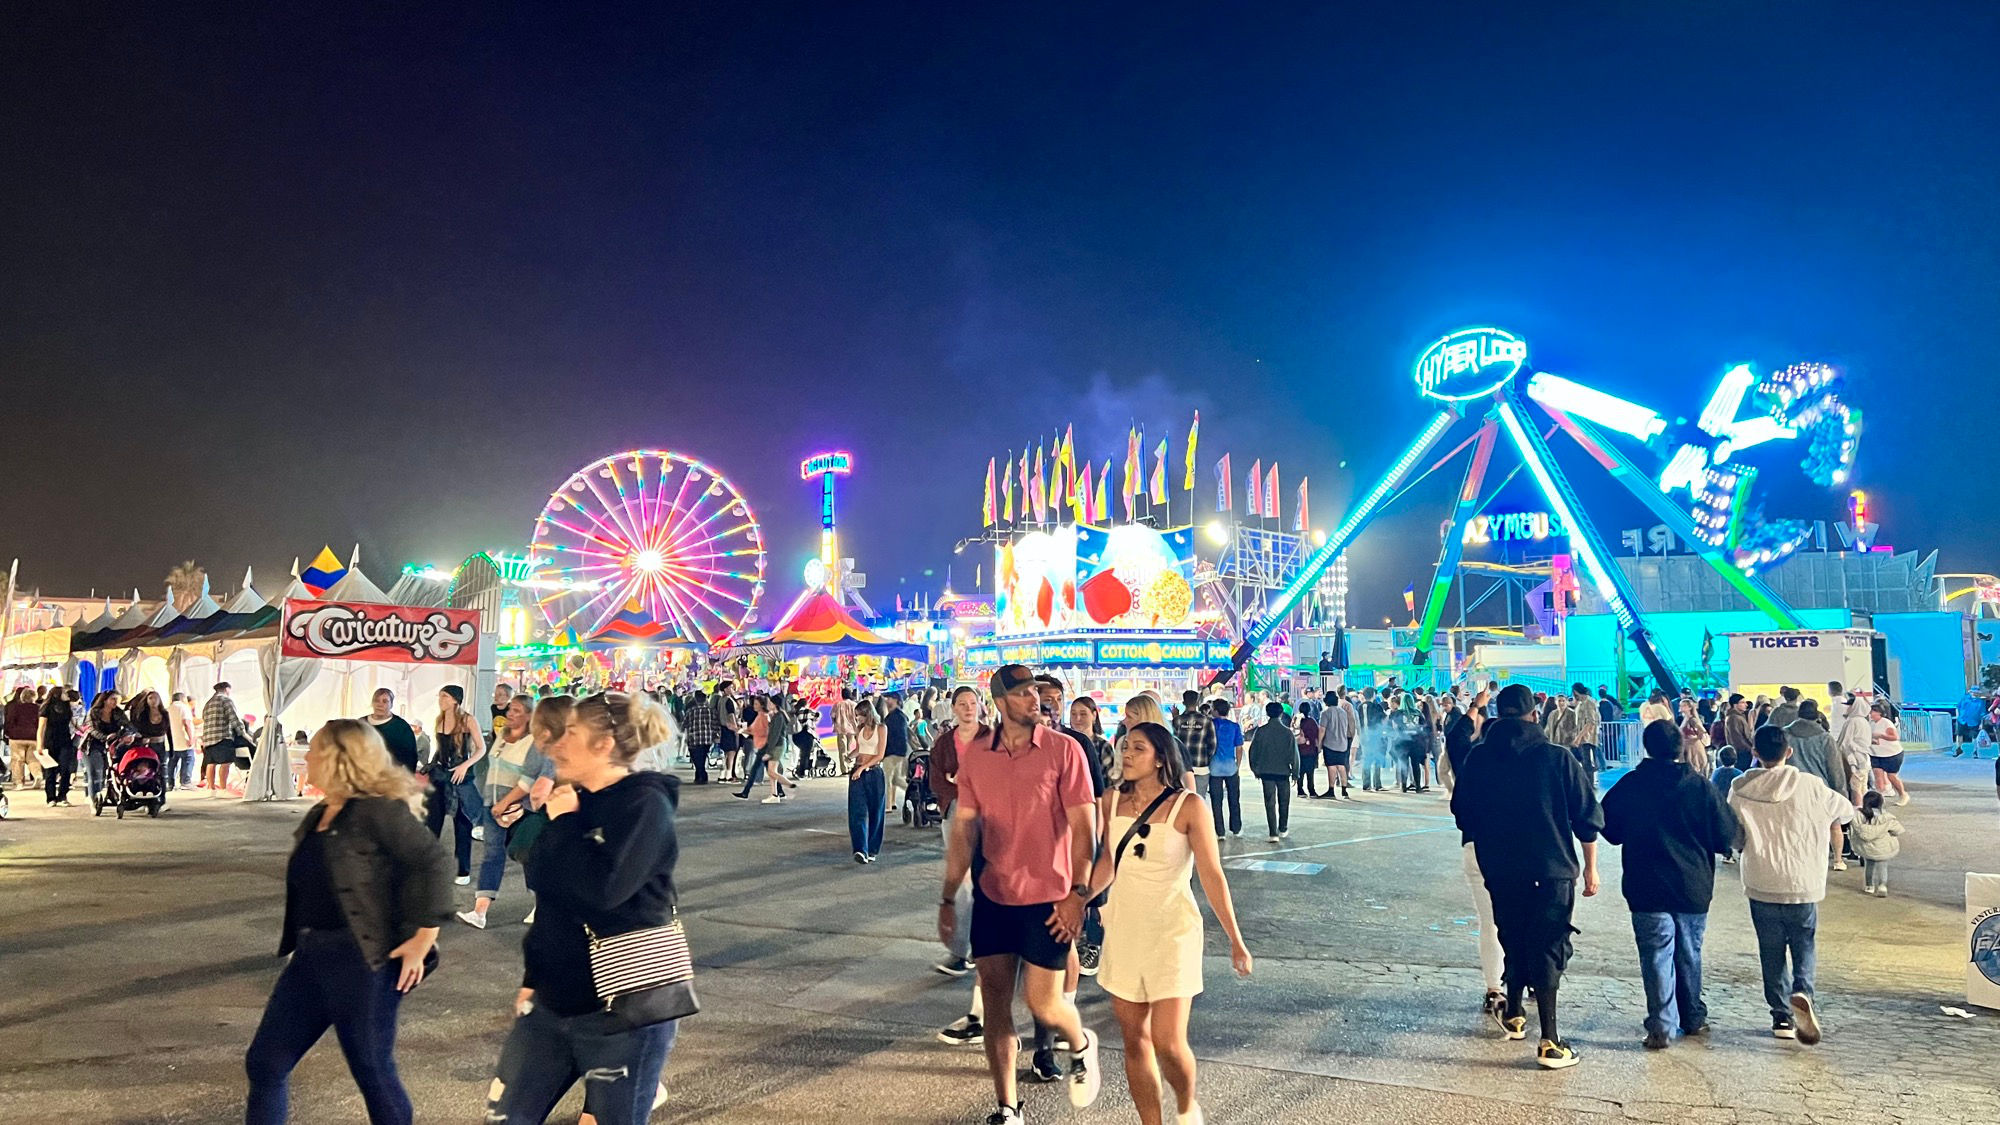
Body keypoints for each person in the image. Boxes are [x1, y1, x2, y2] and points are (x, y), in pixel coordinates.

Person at [487, 692, 684, 1125]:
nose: (557, 742)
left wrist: (567, 823)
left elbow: (603, 890)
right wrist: (533, 977)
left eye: (571, 732)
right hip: (553, 1003)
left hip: (624, 1011)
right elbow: (551, 897)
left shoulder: (643, 804)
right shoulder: (571, 799)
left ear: (603, 745)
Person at [244, 719, 451, 1125]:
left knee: (373, 1072)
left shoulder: (376, 811)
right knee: (266, 1062)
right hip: (311, 957)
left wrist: (423, 939)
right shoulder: (323, 812)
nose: (307, 756)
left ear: (341, 759)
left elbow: (434, 863)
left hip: (362, 962)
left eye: (316, 749)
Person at [937, 664, 1102, 1124]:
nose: (1038, 699)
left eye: (1039, 692)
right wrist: (949, 897)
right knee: (993, 1003)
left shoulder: (1064, 750)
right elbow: (964, 834)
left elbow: (1085, 830)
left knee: (1043, 1002)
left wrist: (1078, 893)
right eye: (1026, 692)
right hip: (994, 894)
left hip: (1050, 897)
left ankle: (1081, 1043)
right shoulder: (977, 757)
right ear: (1002, 701)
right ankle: (1007, 1108)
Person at [1083, 721, 1252, 1125]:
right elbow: (1107, 862)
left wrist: (1235, 939)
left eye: (1137, 749)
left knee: (1168, 1043)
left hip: (1173, 932)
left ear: (1160, 759)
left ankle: (1185, 1105)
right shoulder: (1109, 801)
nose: (1126, 755)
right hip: (1124, 930)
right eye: (1125, 747)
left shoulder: (1188, 805)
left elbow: (1211, 874)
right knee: (1134, 1039)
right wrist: (1077, 902)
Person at [1450, 683, 1603, 1071]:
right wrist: (1591, 868)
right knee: (1548, 945)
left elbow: (1462, 813)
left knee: (1512, 936)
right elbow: (1587, 818)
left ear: (1498, 714)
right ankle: (1550, 1040)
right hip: (1550, 868)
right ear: (1535, 714)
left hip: (1500, 867)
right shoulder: (1558, 757)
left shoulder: (1479, 759)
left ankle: (1515, 1011)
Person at [1600, 720, 1739, 1050]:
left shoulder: (1631, 784)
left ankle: (1662, 1024)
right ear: (1680, 748)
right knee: (1689, 953)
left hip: (1645, 885)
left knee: (1655, 955)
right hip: (1692, 886)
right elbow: (1725, 836)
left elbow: (1609, 828)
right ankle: (1692, 1017)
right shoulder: (1700, 786)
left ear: (1647, 748)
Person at [1730, 724, 1855, 1043]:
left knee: (1770, 951)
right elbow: (1845, 812)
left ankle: (1781, 1018)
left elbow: (1735, 836)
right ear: (1789, 752)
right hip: (1803, 881)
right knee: (1804, 944)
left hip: (1760, 880)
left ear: (1754, 753)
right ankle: (1803, 990)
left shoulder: (1739, 787)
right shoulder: (1811, 786)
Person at [457, 694, 557, 929]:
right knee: (492, 855)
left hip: (518, 808)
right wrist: (492, 802)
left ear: (530, 715)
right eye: (510, 709)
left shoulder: (535, 742)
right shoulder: (501, 736)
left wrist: (505, 804)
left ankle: (540, 904)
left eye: (517, 710)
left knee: (526, 854)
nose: (510, 714)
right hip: (492, 805)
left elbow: (528, 780)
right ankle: (480, 911)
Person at [1437, 699, 1505, 1024]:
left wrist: (1474, 708)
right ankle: (1528, 980)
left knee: (1488, 923)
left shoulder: (1472, 762)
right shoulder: (1537, 760)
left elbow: (1455, 739)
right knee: (1522, 920)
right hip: (1522, 852)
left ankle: (1494, 988)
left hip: (1476, 846)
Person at [934, 687, 988, 1026]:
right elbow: (938, 777)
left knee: (984, 882)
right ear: (953, 708)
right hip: (956, 810)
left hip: (989, 814)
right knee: (962, 881)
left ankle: (974, 949)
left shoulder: (993, 738)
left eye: (973, 703)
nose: (968, 709)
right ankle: (961, 949)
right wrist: (955, 786)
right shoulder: (944, 743)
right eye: (962, 704)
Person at [424, 685, 488, 885]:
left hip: (460, 776)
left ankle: (463, 870)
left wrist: (465, 766)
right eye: (440, 695)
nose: (440, 699)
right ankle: (428, 865)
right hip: (440, 775)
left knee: (462, 822)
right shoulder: (439, 719)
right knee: (432, 820)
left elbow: (481, 748)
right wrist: (431, 765)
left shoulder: (468, 719)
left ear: (455, 699)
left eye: (445, 696)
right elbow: (439, 749)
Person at [1246, 702, 1299, 843]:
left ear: (1268, 714)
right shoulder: (1287, 732)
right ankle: (1283, 828)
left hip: (1266, 772)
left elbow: (1253, 752)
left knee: (1270, 802)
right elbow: (1294, 755)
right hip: (1283, 772)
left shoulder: (1261, 731)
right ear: (1281, 713)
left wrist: (1255, 769)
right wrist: (1295, 772)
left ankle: (1273, 833)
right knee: (1284, 801)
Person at [847, 699, 887, 863]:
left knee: (876, 812)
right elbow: (859, 749)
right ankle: (860, 849)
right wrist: (850, 756)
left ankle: (872, 849)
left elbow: (880, 754)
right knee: (857, 812)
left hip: (874, 772)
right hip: (858, 771)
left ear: (867, 713)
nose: (858, 719)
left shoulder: (881, 728)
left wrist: (862, 768)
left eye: (860, 716)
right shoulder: (859, 729)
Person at [1849, 790, 1902, 897]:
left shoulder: (1858, 815)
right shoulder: (1886, 817)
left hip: (1866, 847)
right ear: (1880, 803)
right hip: (1883, 847)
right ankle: (1882, 886)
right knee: (1882, 867)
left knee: (1869, 865)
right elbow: (1898, 830)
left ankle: (1869, 886)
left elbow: (1854, 830)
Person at [84, 689, 130, 804]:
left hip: (112, 746)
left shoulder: (118, 713)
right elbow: (91, 729)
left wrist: (127, 735)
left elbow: (128, 725)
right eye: (113, 699)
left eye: (117, 700)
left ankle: (109, 795)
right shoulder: (94, 712)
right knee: (96, 772)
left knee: (108, 771)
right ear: (105, 700)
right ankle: (94, 798)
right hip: (93, 745)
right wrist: (106, 737)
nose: (115, 702)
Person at [1205, 699, 1243, 834]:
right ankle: (1236, 828)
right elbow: (1239, 748)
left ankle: (1220, 831)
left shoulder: (1210, 725)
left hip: (1214, 767)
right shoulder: (1234, 726)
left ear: (1215, 710)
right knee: (1234, 799)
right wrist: (1237, 765)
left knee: (1216, 801)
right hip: (1231, 767)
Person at [363, 689, 420, 775]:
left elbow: (411, 758)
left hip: (391, 778)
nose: (380, 704)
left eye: (385, 701)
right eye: (376, 700)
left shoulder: (401, 727)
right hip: (364, 776)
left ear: (391, 704)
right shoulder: (361, 724)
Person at [1173, 689, 1216, 796]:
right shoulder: (1206, 721)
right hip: (1201, 766)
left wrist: (1175, 716)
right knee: (1199, 800)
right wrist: (1206, 758)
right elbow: (1212, 745)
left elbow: (1173, 743)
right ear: (1197, 702)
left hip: (1182, 766)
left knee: (1182, 800)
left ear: (1183, 703)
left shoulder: (1177, 720)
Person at [40, 687, 77, 805]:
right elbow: (41, 727)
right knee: (50, 770)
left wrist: (82, 730)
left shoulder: (67, 707)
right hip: (50, 741)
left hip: (65, 740)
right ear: (57, 694)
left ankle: (62, 795)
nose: (67, 695)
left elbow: (73, 722)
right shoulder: (47, 707)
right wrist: (39, 744)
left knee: (65, 768)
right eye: (64, 693)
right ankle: (50, 797)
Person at [1867, 703, 1908, 805]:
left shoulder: (1886, 723)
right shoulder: (1871, 723)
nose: (1870, 714)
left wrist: (1881, 735)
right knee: (1878, 776)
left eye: (1872, 711)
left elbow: (1895, 737)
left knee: (1891, 776)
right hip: (1876, 754)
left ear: (1879, 713)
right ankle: (1879, 799)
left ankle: (1903, 794)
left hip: (1891, 754)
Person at [5, 685, 41, 791]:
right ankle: (37, 775)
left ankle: (19, 783)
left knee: (17, 760)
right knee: (33, 759)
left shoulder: (15, 707)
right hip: (33, 737)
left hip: (17, 737)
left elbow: (10, 721)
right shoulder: (38, 708)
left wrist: (8, 732)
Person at [882, 692, 910, 816]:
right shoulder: (900, 716)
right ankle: (913, 792)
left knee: (887, 780)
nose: (887, 701)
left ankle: (887, 805)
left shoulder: (894, 717)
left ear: (897, 700)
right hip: (899, 752)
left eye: (890, 699)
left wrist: (883, 752)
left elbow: (892, 737)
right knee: (896, 779)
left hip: (892, 752)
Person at [1676, 697, 1711, 778]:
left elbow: (1702, 731)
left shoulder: (1692, 719)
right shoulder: (1681, 718)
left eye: (1684, 705)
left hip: (1693, 746)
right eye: (1681, 705)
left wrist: (1695, 739)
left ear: (1690, 707)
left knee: (1694, 766)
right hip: (1686, 745)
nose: (1681, 707)